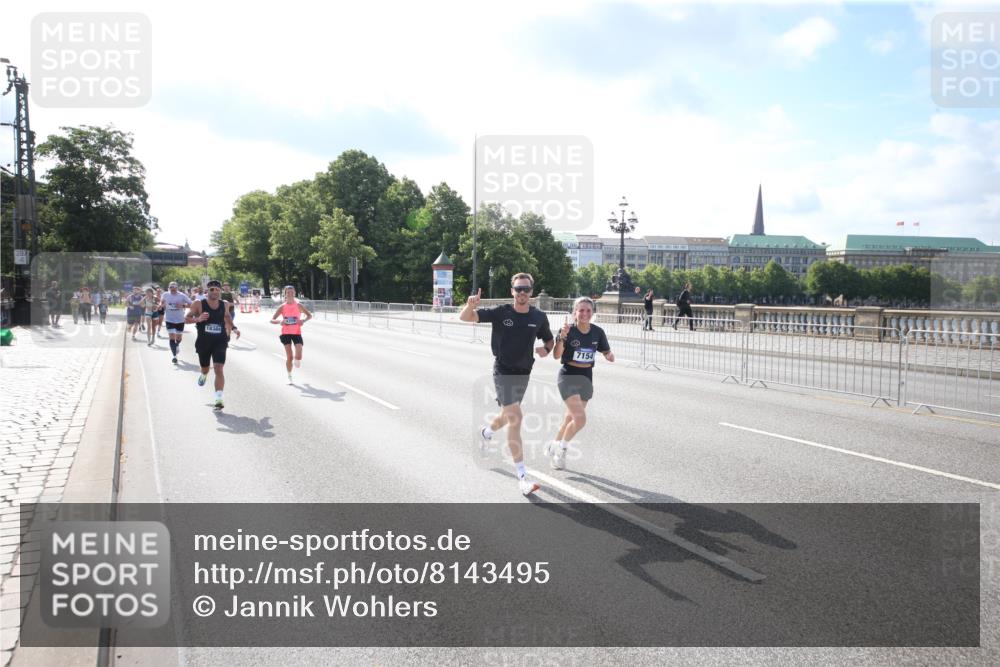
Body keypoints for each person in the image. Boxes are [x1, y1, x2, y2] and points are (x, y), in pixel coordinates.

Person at [460, 273, 554, 496]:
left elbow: (549, 340)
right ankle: (522, 476)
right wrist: (469, 305)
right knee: (516, 417)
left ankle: (485, 432)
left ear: (531, 291)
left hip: (524, 373)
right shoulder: (502, 312)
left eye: (526, 289)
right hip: (503, 370)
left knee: (507, 415)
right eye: (518, 289)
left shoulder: (539, 316)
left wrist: (547, 349)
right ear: (512, 291)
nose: (522, 293)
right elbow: (466, 317)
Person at [545, 297, 614, 470]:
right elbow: (556, 355)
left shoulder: (598, 332)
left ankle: (554, 444)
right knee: (580, 419)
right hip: (568, 375)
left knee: (570, 417)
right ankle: (561, 451)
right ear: (575, 313)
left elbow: (605, 349)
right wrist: (562, 337)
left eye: (588, 310)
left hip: (586, 377)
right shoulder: (567, 330)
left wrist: (608, 355)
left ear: (593, 313)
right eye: (581, 310)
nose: (584, 314)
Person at [186, 280, 233, 410]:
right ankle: (204, 374)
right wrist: (198, 319)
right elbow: (186, 319)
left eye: (217, 290)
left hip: (220, 341)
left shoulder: (225, 304)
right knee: (205, 368)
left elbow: (227, 317)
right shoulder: (198, 304)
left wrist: (234, 328)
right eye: (212, 289)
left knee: (219, 368)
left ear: (220, 291)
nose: (215, 292)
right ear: (208, 291)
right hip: (204, 341)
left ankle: (218, 398)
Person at [270, 285, 313, 384]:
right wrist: (280, 321)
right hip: (286, 333)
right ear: (285, 294)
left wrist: (303, 320)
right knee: (289, 357)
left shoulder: (299, 305)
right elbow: (272, 320)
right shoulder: (282, 307)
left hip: (296, 332)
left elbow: (309, 316)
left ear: (294, 293)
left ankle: (297, 360)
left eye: (292, 292)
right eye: (288, 292)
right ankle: (289, 375)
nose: (290, 294)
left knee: (299, 355)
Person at [160, 281, 192, 364]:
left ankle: (177, 344)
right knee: (171, 337)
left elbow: (192, 304)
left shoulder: (182, 295)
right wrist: (161, 305)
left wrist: (183, 305)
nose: (172, 290)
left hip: (180, 320)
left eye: (174, 289)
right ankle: (174, 356)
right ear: (169, 288)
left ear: (177, 288)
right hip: (169, 319)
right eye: (171, 288)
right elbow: (162, 303)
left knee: (178, 338)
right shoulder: (165, 294)